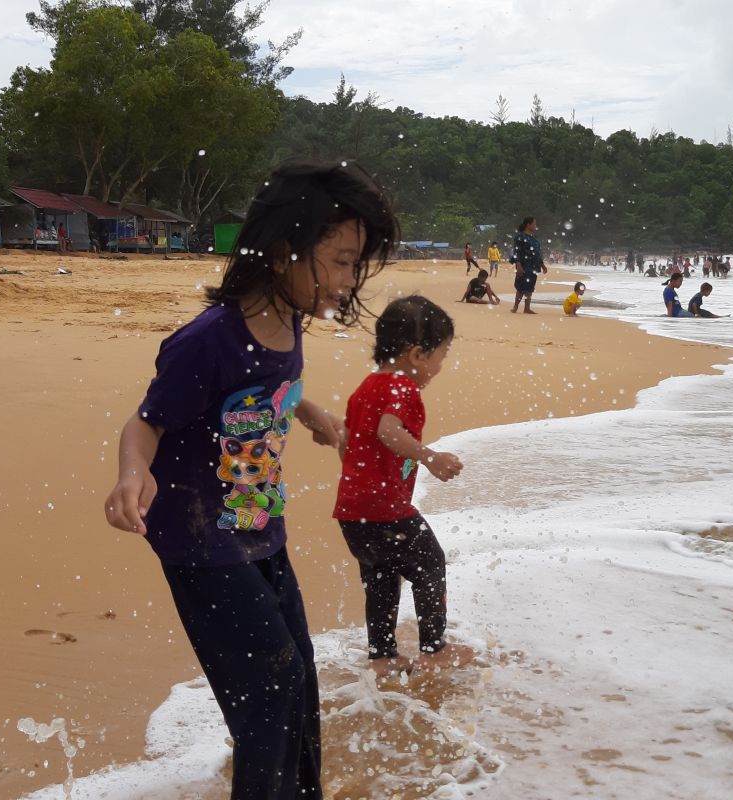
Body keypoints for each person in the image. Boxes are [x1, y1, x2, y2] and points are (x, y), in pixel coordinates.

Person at [103, 161, 398, 799]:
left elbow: (269, 390)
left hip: (258, 528)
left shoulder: (288, 322)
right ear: (287, 247)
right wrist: (132, 475)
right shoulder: (207, 341)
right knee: (270, 689)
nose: (349, 281)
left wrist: (310, 412)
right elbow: (146, 422)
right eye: (342, 261)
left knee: (302, 678)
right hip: (199, 542)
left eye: (355, 265)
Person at [334, 296, 472, 675]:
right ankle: (434, 648)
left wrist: (360, 482)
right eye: (440, 356)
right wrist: (432, 457)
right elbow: (388, 431)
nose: (439, 366)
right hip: (386, 509)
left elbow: (346, 442)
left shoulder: (366, 387)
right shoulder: (402, 389)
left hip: (352, 510)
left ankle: (382, 656)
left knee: (380, 577)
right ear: (416, 354)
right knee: (430, 564)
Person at [510, 216, 546, 314]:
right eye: (534, 224)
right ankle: (515, 307)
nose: (535, 226)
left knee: (530, 287)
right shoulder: (520, 236)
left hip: (534, 266)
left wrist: (542, 265)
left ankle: (527, 308)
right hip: (524, 264)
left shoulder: (535, 240)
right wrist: (518, 263)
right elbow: (516, 250)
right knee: (520, 287)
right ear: (528, 225)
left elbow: (538, 253)